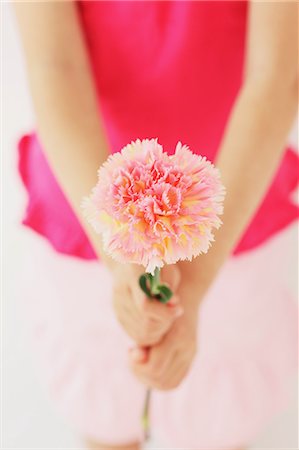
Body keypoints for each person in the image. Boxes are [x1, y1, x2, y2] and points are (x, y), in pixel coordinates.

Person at [14, 1, 298, 449]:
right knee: (109, 417)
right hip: (87, 219)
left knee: (219, 423)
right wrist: (119, 253)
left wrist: (197, 280)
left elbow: (277, 78)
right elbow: (55, 68)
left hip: (236, 219)